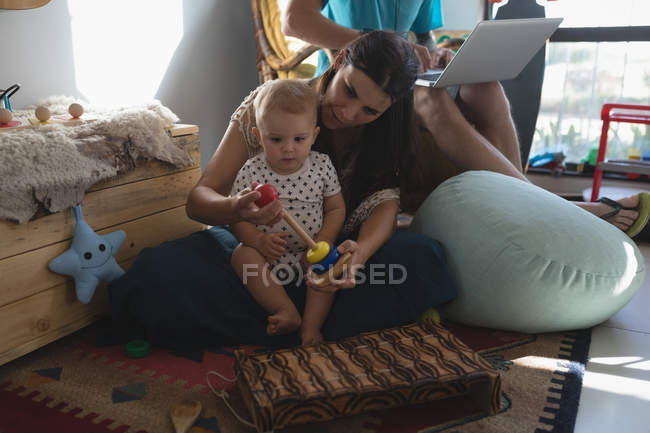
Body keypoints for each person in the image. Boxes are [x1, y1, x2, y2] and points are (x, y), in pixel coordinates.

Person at [109, 30, 457, 351]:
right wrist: (237, 210)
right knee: (155, 274)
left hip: (328, 265)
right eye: (349, 90)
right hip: (257, 258)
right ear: (340, 60)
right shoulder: (271, 104)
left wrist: (359, 255)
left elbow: (385, 205)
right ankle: (300, 320)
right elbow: (199, 201)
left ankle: (294, 322)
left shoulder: (383, 135)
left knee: (422, 259)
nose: (348, 112)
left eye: (369, 110)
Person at [281, 0, 644, 231]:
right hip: (356, 79)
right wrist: (379, 44)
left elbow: (425, 37)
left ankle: (526, 211)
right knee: (432, 102)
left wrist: (436, 55)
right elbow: (294, 20)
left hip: (404, 81)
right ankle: (550, 208)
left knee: (483, 86)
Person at [228, 79, 345, 345]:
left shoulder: (322, 166)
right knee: (241, 255)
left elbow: (336, 208)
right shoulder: (251, 171)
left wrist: (324, 239)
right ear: (259, 137)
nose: (288, 148)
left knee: (330, 266)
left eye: (299, 139)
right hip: (268, 256)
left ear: (314, 136)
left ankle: (311, 327)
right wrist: (257, 241)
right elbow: (237, 218)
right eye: (276, 139)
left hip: (311, 251)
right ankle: (284, 310)